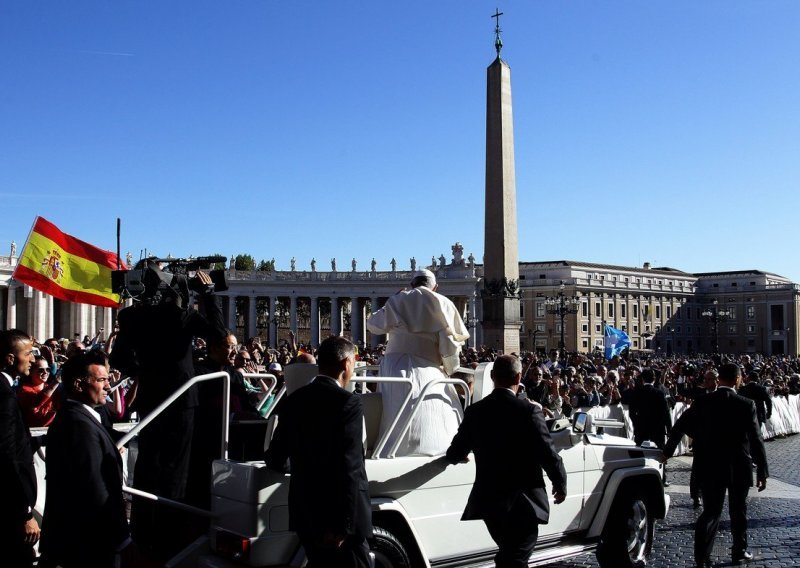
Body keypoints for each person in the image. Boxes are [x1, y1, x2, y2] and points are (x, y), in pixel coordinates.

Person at [110, 265, 225, 561]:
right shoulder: (180, 315)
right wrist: (208, 294)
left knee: (148, 466)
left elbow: (118, 358)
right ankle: (170, 539)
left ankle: (142, 534)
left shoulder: (129, 316)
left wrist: (146, 372)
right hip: (181, 399)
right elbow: (218, 336)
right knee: (176, 470)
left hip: (150, 397)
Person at [446, 355, 567, 568]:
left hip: (490, 501)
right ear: (519, 377)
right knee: (515, 558)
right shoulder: (529, 411)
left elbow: (455, 451)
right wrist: (560, 482)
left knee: (510, 554)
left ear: (492, 377)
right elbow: (547, 452)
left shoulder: (475, 411)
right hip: (523, 501)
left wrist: (461, 455)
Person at [265, 336, 372, 568]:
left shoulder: (294, 400)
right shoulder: (348, 402)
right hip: (340, 522)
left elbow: (275, 458)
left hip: (306, 515)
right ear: (346, 364)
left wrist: (302, 466)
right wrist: (343, 524)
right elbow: (350, 466)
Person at [662, 363, 768, 567]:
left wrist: (667, 452)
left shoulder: (702, 401)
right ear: (738, 379)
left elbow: (680, 425)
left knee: (710, 512)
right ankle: (739, 551)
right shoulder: (747, 404)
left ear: (719, 380)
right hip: (738, 465)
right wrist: (762, 470)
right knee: (739, 512)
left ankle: (701, 557)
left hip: (709, 464)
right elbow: (756, 439)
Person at [39, 351, 132, 568]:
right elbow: (94, 487)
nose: (109, 387)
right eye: (101, 380)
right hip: (84, 543)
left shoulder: (79, 418)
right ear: (79, 385)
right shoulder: (78, 424)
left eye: (108, 380)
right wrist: (122, 539)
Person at [366, 269, 469, 455]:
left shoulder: (398, 299)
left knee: (393, 410)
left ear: (412, 284)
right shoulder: (444, 303)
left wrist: (392, 300)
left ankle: (389, 451)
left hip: (394, 366)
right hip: (428, 366)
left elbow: (373, 325)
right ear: (435, 287)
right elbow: (450, 346)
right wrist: (450, 367)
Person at [0, 329, 40, 567]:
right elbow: (7, 457)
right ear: (10, 358)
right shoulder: (4, 395)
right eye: (28, 353)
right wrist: (25, 513)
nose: (33, 360)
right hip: (10, 510)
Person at [628, 368, 672, 485]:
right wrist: (669, 428)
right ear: (654, 379)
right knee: (660, 454)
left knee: (639, 453)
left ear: (642, 379)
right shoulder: (659, 393)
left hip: (641, 428)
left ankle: (637, 476)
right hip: (657, 429)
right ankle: (663, 477)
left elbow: (632, 413)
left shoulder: (636, 392)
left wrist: (636, 423)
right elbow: (666, 413)